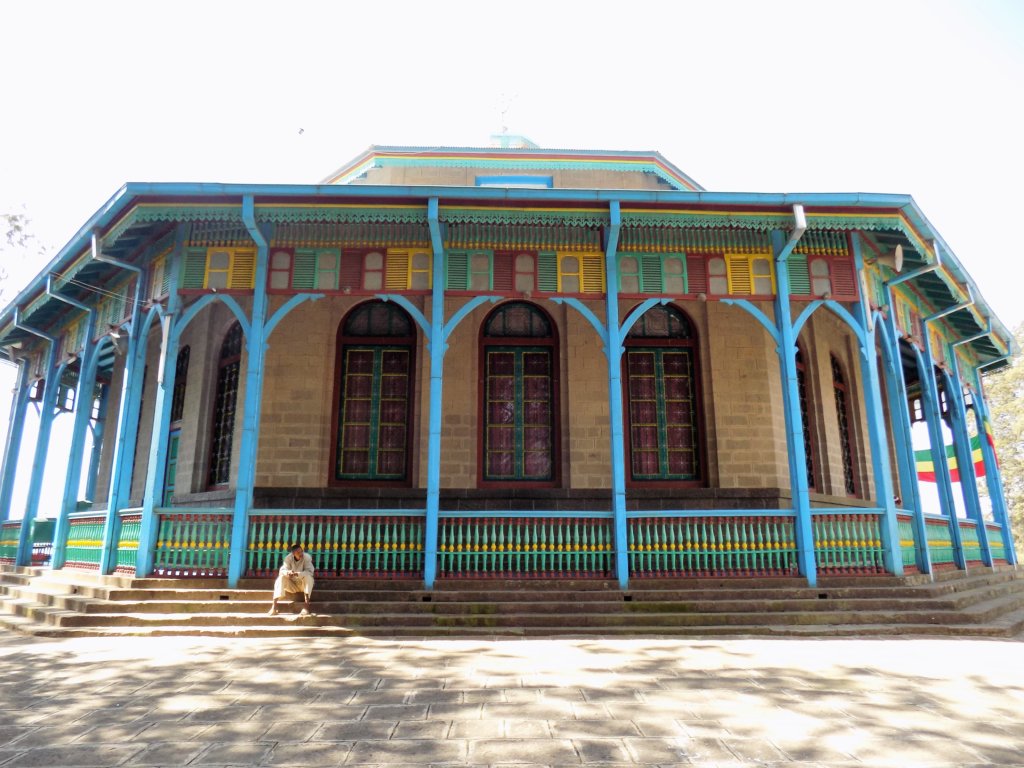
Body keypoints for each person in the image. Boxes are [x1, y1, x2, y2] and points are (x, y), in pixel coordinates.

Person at [269, 544, 314, 615]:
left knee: (308, 577)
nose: (301, 554)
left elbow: (310, 572)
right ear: (293, 554)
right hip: (292, 585)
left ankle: (306, 607)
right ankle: (274, 607)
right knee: (281, 577)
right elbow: (282, 570)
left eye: (301, 551)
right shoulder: (288, 558)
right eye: (298, 553)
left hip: (303, 584)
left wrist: (297, 574)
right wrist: (288, 573)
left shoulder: (307, 557)